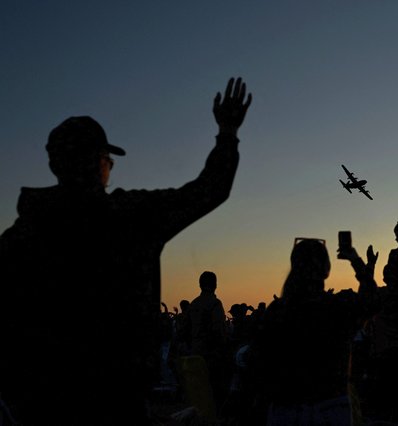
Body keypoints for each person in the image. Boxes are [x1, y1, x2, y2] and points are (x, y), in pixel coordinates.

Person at [0, 78, 251, 425]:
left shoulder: (20, 237)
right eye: (107, 159)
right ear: (98, 163)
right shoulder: (129, 217)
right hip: (117, 402)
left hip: (39, 406)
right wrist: (227, 132)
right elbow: (209, 189)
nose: (110, 168)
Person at [252, 238, 377, 426]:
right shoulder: (338, 307)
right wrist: (356, 261)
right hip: (332, 409)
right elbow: (372, 300)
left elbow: (260, 364)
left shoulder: (277, 310)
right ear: (326, 269)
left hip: (285, 410)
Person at [189, 271, 230, 412]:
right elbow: (218, 331)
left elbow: (183, 332)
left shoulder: (193, 304)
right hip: (212, 355)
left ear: (200, 285)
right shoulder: (215, 303)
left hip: (195, 354)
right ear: (215, 285)